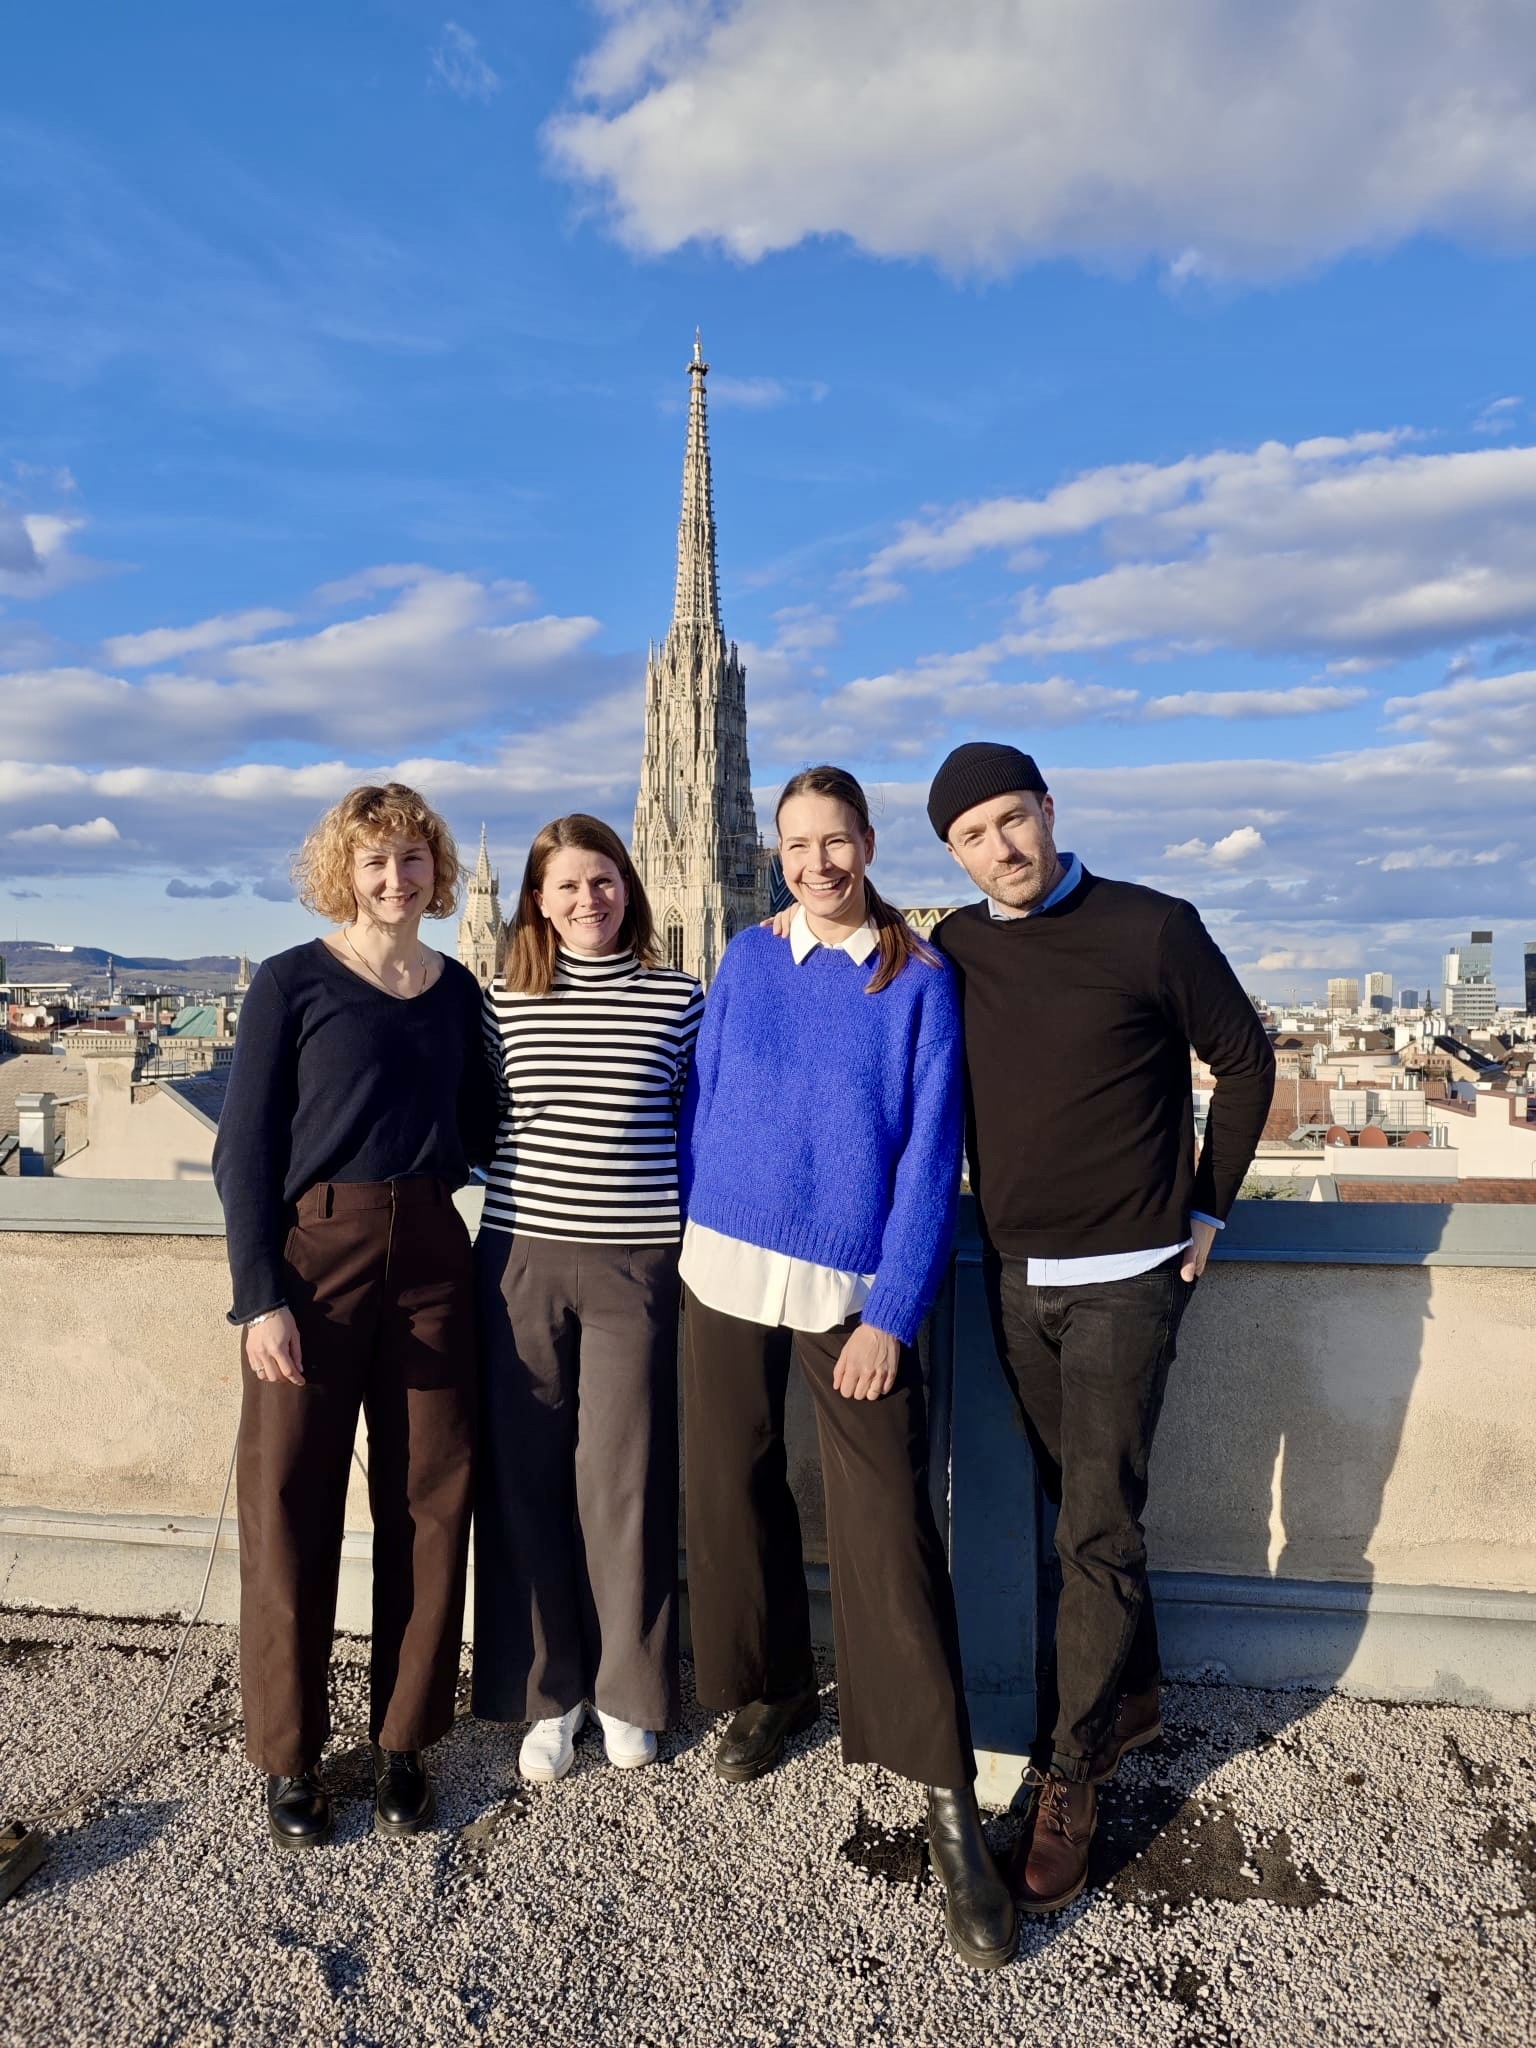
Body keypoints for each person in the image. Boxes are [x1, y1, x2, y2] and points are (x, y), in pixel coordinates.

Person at [926, 741, 1275, 1913]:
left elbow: (1245, 1055)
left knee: (1096, 1525)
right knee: (1076, 1504)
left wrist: (1209, 1207)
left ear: (1048, 811)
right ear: (955, 853)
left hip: (1131, 1278)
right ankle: (1132, 1695)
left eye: (1012, 820)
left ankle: (1071, 1777)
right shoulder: (960, 947)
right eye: (973, 835)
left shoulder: (1152, 925)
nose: (1000, 847)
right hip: (1017, 1277)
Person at [679, 764, 1017, 1972]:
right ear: (777, 853)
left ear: (867, 844)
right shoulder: (749, 954)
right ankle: (770, 1686)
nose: (818, 861)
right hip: (720, 1266)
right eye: (798, 844)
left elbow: (931, 1162)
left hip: (848, 1294)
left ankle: (946, 1800)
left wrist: (893, 1312)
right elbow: (705, 1094)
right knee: (727, 1488)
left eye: (836, 840)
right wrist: (692, 1214)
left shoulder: (916, 978)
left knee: (886, 1528)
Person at [213, 782, 497, 1851]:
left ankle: (401, 1741)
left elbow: (480, 1122)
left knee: (431, 1498)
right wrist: (260, 1296)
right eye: (375, 860)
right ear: (345, 869)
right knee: (289, 1502)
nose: (395, 877)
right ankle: (289, 1757)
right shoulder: (292, 982)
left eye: (412, 859)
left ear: (436, 872)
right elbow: (242, 1148)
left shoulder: (456, 987)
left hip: (430, 1251)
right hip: (313, 1255)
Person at [472, 815, 702, 1783]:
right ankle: (546, 1692)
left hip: (636, 1264)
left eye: (602, 881)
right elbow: (473, 1119)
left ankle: (628, 1691)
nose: (586, 900)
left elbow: (704, 1124)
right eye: (565, 885)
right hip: (520, 1256)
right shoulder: (498, 1000)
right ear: (537, 898)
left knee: (626, 1481)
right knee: (526, 1480)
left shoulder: (680, 998)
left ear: (627, 886)